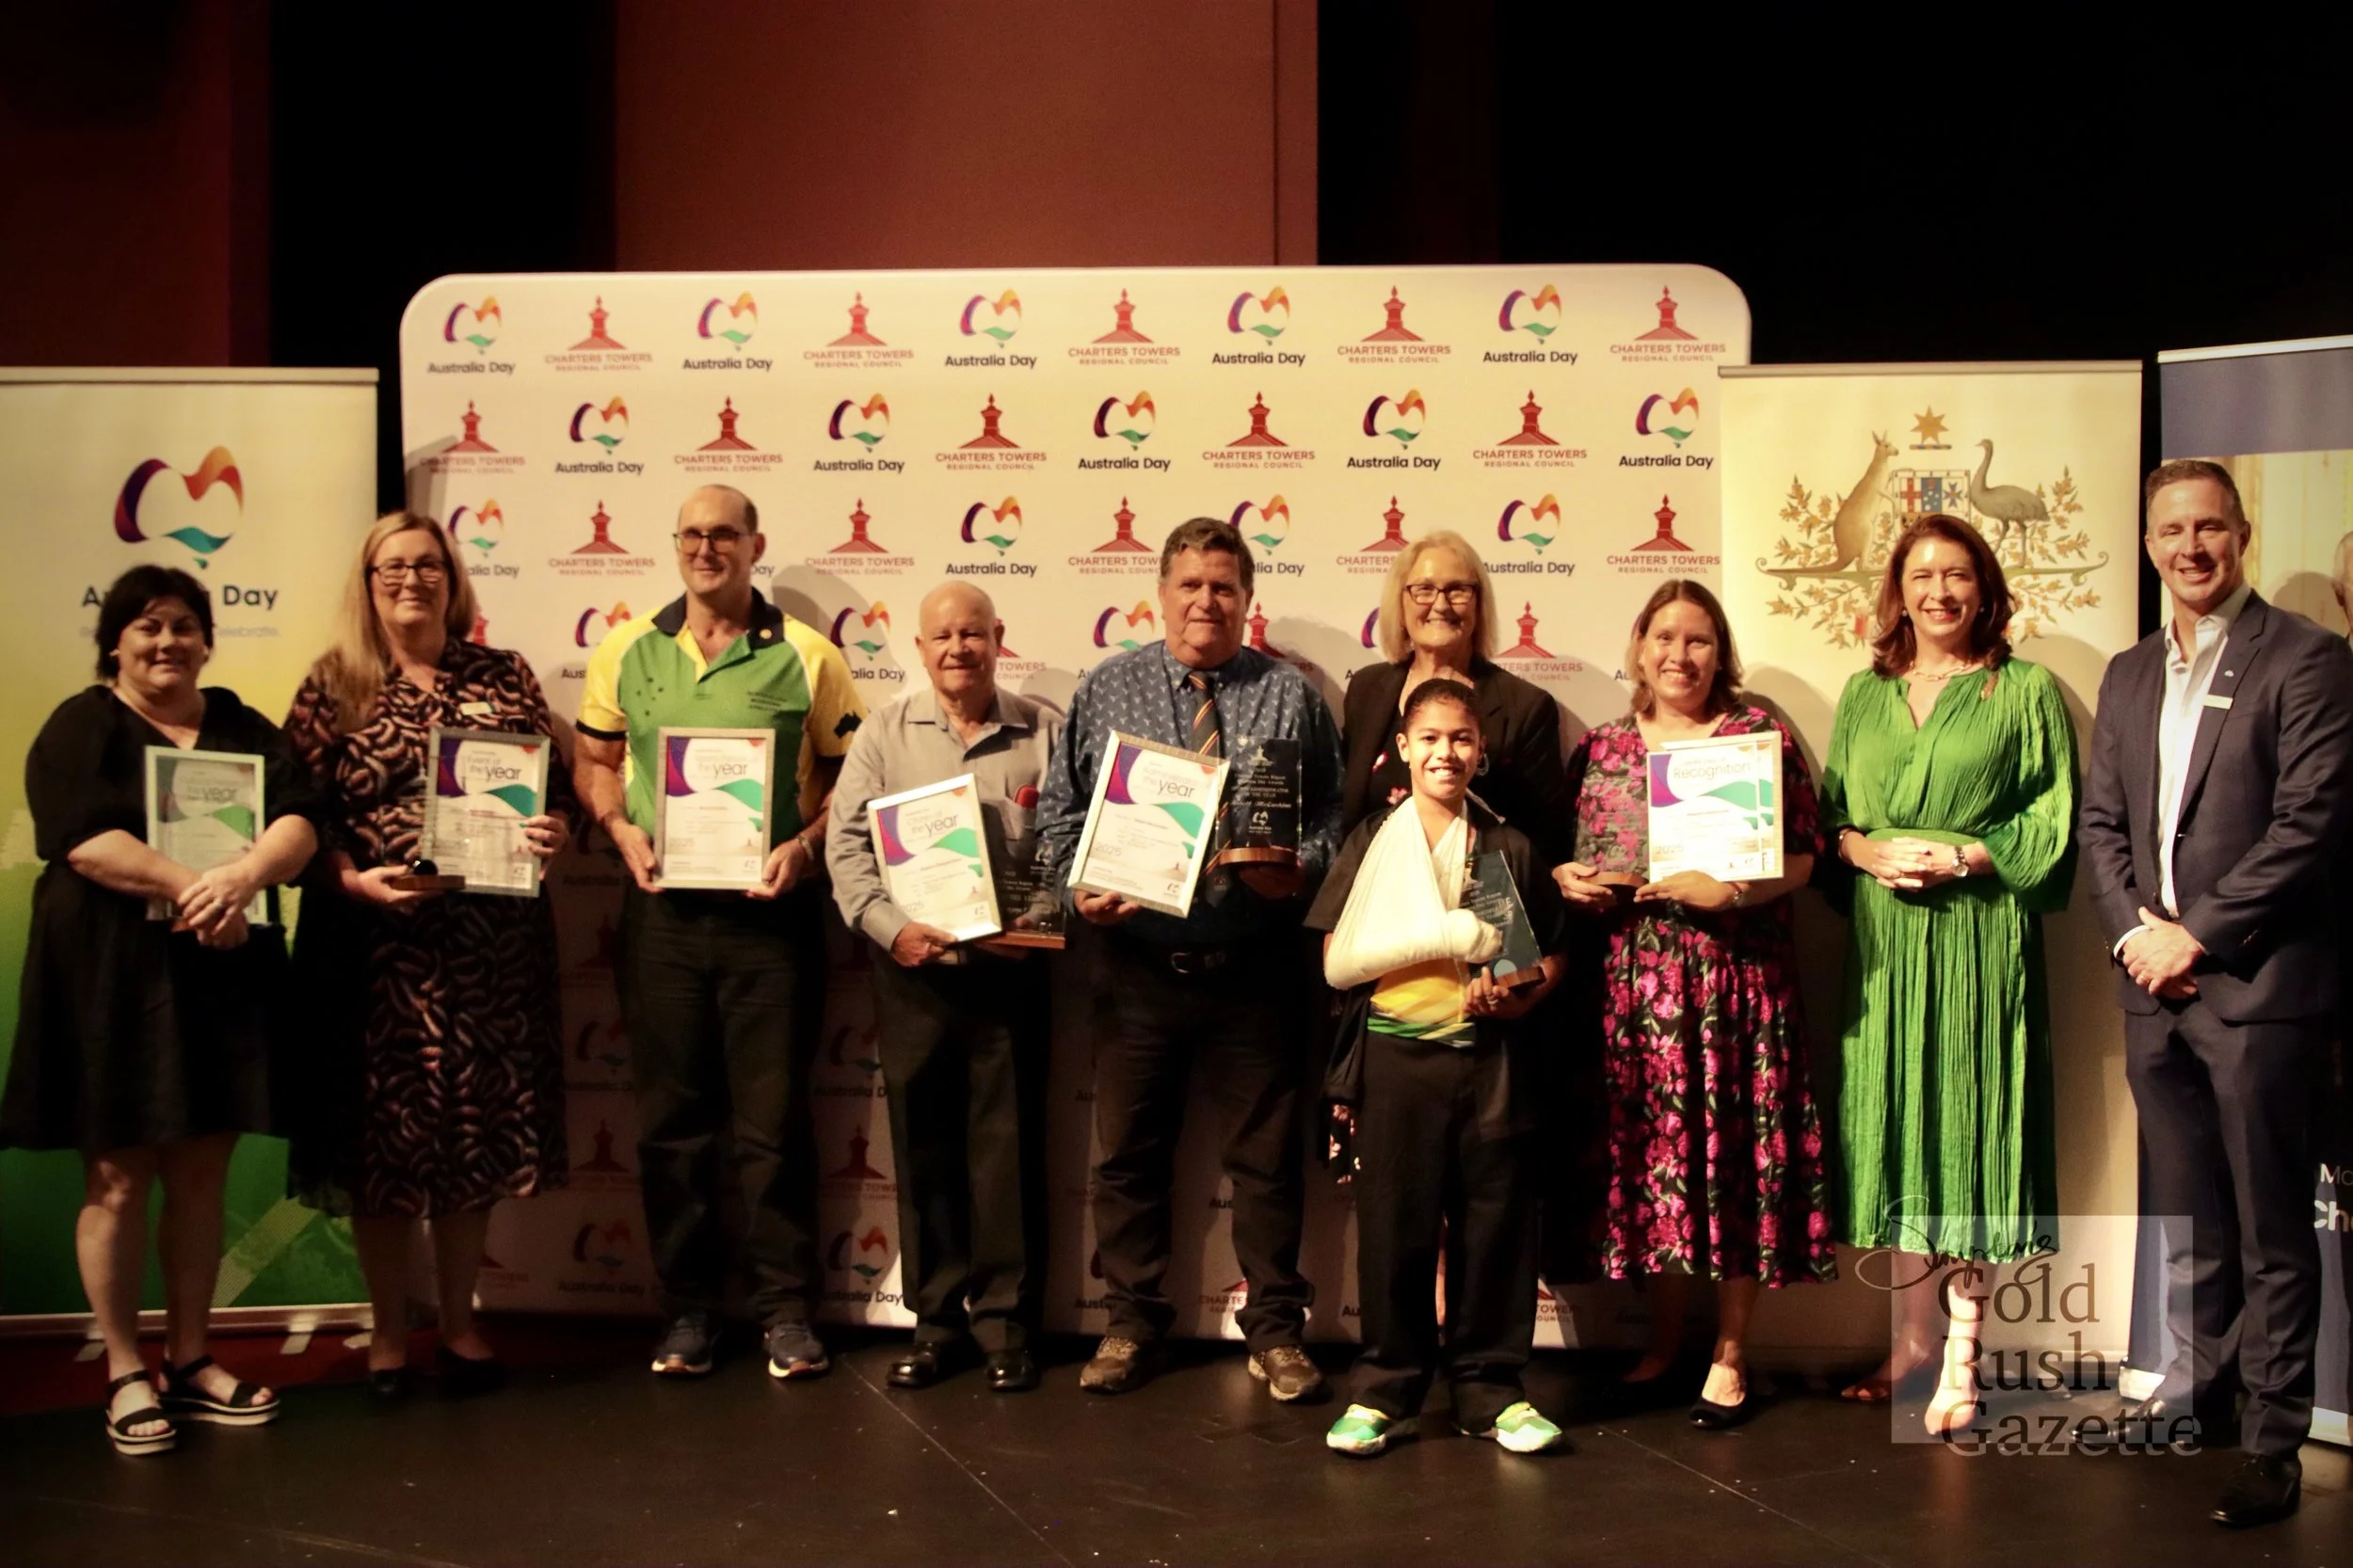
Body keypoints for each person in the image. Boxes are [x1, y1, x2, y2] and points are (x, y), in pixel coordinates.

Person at [2081, 460, 2353, 1527]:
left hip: (2256, 988)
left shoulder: (2308, 658)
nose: (2189, 547)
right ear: (2149, 544)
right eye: (2170, 530)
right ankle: (2195, 1397)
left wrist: (2193, 936)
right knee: (2188, 1217)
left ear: (2241, 534)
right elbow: (2103, 827)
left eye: (2208, 527)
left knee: (2272, 1229)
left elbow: (2310, 822)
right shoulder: (2127, 672)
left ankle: (2274, 1442)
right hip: (2153, 992)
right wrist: (2136, 940)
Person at [1, 567, 319, 1453]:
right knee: (117, 1176)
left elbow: (300, 818)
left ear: (207, 641)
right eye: (147, 626)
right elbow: (80, 839)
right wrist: (197, 888)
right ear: (115, 643)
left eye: (184, 625)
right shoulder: (82, 724)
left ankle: (189, 1359)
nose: (167, 642)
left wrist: (245, 877)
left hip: (220, 969)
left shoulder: (240, 725)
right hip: (110, 974)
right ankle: (122, 1369)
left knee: (200, 1174)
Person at [1036, 515, 1342, 1400]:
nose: (1206, 600)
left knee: (1268, 1165)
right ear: (1160, 594)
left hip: (1255, 968)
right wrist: (1078, 891)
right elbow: (1058, 819)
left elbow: (1332, 818)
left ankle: (1276, 1333)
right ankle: (1131, 1324)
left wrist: (1301, 869)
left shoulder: (1289, 696)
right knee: (1128, 1159)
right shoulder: (1108, 689)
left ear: (1247, 600)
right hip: (1137, 967)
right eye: (1191, 585)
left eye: (1224, 586)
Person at [573, 484, 866, 1382]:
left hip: (769, 920)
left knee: (773, 1126)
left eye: (725, 535)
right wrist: (617, 828)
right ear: (675, 545)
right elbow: (594, 758)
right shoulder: (626, 647)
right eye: (693, 535)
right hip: (662, 918)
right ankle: (689, 1311)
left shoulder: (810, 655)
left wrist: (805, 849)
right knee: (672, 1126)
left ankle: (786, 1312)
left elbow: (852, 779)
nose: (708, 549)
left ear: (754, 545)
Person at [280, 513, 574, 1397]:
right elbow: (299, 814)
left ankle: (459, 1323)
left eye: (428, 565)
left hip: (489, 949)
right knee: (382, 1142)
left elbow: (557, 791)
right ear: (368, 584)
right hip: (374, 954)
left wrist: (553, 828)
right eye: (392, 568)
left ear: (453, 577)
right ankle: (386, 1334)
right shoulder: (333, 683)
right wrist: (347, 876)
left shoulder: (502, 674)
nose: (412, 580)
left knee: (472, 1135)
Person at [1817, 513, 2078, 1439]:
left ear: (1984, 588)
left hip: (1979, 938)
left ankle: (1964, 1355)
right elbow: (1831, 819)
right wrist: (1864, 852)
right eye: (1922, 575)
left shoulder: (2024, 690)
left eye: (1957, 574)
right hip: (1887, 947)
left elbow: (2052, 822)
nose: (1939, 592)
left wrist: (1966, 857)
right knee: (1901, 1125)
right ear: (1897, 592)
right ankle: (1913, 1341)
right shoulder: (1863, 693)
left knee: (1969, 1128)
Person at [1555, 581, 1833, 1428]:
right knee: (1655, 1170)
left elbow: (1806, 857)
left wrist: (1735, 891)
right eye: (1665, 637)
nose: (1680, 655)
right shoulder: (1601, 747)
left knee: (1737, 1161)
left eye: (1699, 640)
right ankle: (1667, 1340)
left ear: (1721, 653)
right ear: (1639, 646)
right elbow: (1569, 854)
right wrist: (1571, 880)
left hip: (1735, 988)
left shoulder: (1756, 738)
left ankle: (1731, 1351)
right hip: (1635, 995)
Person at [1312, 678, 1570, 1456]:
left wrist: (1519, 997)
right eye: (1429, 738)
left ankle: (1491, 1392)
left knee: (1495, 1230)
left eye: (1460, 739)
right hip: (1394, 1061)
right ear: (1402, 747)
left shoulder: (1504, 846)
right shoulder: (1372, 841)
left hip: (1487, 1063)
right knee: (1395, 1230)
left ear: (1481, 750)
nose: (1445, 753)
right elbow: (1337, 960)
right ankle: (1384, 1391)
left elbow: (1546, 959)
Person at [826, 583, 1062, 1393]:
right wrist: (890, 927)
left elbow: (1070, 844)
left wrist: (1042, 920)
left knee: (1009, 1157)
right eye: (943, 636)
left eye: (973, 633)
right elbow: (847, 848)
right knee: (923, 1151)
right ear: (920, 649)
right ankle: (935, 1326)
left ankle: (1007, 1328)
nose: (959, 648)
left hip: (1010, 977)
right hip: (914, 974)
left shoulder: (1044, 732)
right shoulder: (883, 734)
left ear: (999, 638)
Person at [1339, 530, 1575, 865]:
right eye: (1423, 589)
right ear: (1401, 602)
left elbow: (1544, 841)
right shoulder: (1366, 690)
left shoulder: (1525, 708)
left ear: (1479, 603)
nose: (1440, 605)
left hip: (1476, 892)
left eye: (1457, 590)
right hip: (1375, 888)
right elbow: (1347, 813)